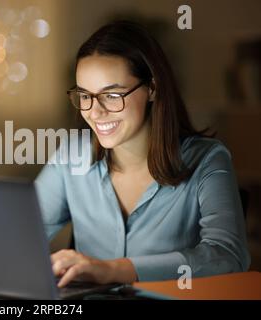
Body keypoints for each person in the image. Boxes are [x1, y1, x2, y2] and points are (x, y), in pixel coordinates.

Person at [35, 20, 250, 288]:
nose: (94, 112)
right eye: (84, 95)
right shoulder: (71, 157)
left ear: (152, 88)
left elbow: (228, 255)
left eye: (112, 95)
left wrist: (115, 270)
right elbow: (20, 235)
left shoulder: (207, 159)